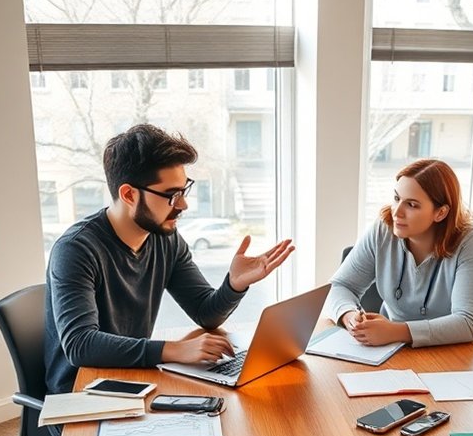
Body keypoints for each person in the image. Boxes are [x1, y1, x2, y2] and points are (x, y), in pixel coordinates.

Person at [44, 124, 294, 395]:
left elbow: (206, 313)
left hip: (135, 379)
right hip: (81, 394)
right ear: (129, 195)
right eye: (172, 195)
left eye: (184, 191)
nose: (183, 204)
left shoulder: (165, 239)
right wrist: (174, 350)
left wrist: (235, 284)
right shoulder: (75, 250)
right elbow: (80, 345)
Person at [325, 159, 473, 347]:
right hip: (393, 348)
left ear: (441, 213)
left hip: (456, 349)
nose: (397, 213)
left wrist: (395, 331)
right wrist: (349, 316)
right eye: (397, 199)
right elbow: (340, 286)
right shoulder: (383, 229)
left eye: (412, 205)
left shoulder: (472, 241)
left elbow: (467, 322)